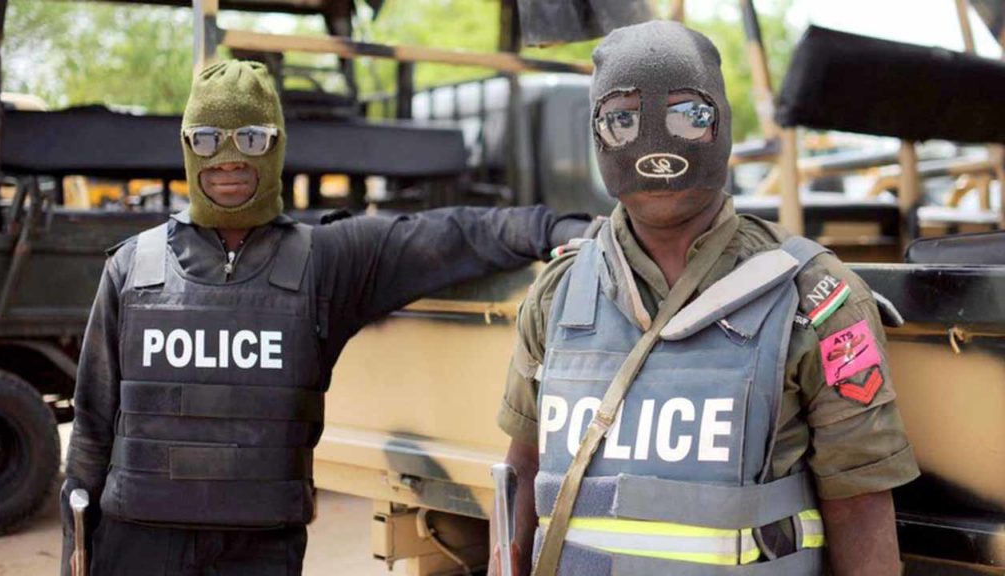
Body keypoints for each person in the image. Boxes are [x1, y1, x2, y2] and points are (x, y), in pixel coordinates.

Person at [60, 59, 589, 576]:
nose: (225, 158)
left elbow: (451, 235)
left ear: (276, 145)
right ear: (186, 146)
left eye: (250, 139)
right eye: (205, 139)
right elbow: (90, 429)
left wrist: (558, 228)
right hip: (136, 546)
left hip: (259, 552)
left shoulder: (323, 261)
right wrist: (73, 556)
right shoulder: (133, 266)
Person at [491, 20, 919, 576]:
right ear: (596, 132)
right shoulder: (558, 292)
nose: (653, 140)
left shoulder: (814, 299)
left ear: (719, 123)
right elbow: (524, 471)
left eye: (684, 115)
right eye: (622, 119)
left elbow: (859, 507)